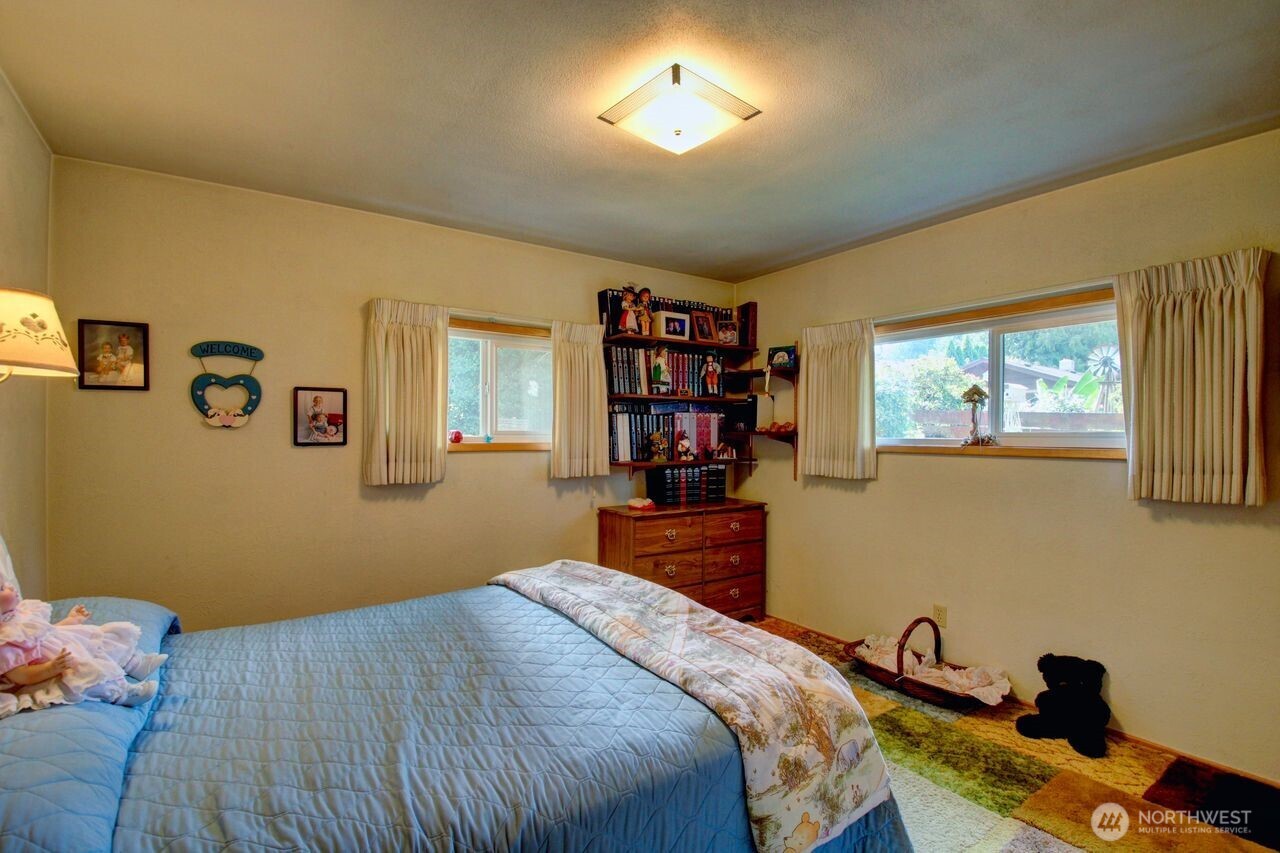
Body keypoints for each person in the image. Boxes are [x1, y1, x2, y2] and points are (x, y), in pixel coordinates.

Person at [0, 585, 166, 719]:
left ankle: (135, 664)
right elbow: (21, 675)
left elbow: (44, 632)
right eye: (1, 589)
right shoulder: (3, 642)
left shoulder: (17, 614)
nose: (10, 587)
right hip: (47, 664)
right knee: (84, 670)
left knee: (96, 638)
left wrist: (70, 621)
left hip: (60, 643)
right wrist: (51, 668)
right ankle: (123, 694)